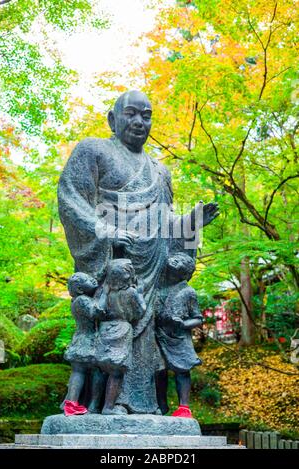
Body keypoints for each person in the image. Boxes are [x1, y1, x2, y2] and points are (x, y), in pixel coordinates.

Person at [58, 90, 219, 414]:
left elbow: (164, 223)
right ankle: (98, 404)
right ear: (112, 119)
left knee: (147, 345)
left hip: (151, 271)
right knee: (113, 336)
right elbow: (72, 199)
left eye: (146, 115)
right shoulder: (94, 150)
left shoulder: (160, 171)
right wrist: (108, 232)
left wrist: (191, 222)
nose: (139, 121)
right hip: (115, 266)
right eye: (131, 113)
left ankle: (148, 405)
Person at [94, 258, 146, 414]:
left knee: (101, 368)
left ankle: (93, 405)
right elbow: (140, 311)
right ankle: (108, 406)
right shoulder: (130, 292)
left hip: (105, 329)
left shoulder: (105, 292)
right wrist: (141, 294)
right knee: (117, 371)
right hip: (122, 329)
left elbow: (99, 309)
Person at [155, 253, 203, 418]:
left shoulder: (188, 292)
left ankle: (184, 406)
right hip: (159, 333)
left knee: (182, 370)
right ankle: (160, 404)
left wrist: (183, 324)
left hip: (179, 337)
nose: (175, 262)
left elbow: (197, 318)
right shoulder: (158, 288)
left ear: (185, 273)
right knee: (159, 370)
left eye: (180, 262)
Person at [63, 272, 106, 416]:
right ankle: (86, 403)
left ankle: (73, 402)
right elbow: (97, 312)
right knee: (94, 371)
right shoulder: (83, 300)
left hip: (80, 339)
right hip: (88, 340)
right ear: (80, 289)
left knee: (80, 371)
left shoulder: (77, 300)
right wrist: (105, 293)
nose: (93, 279)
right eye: (88, 280)